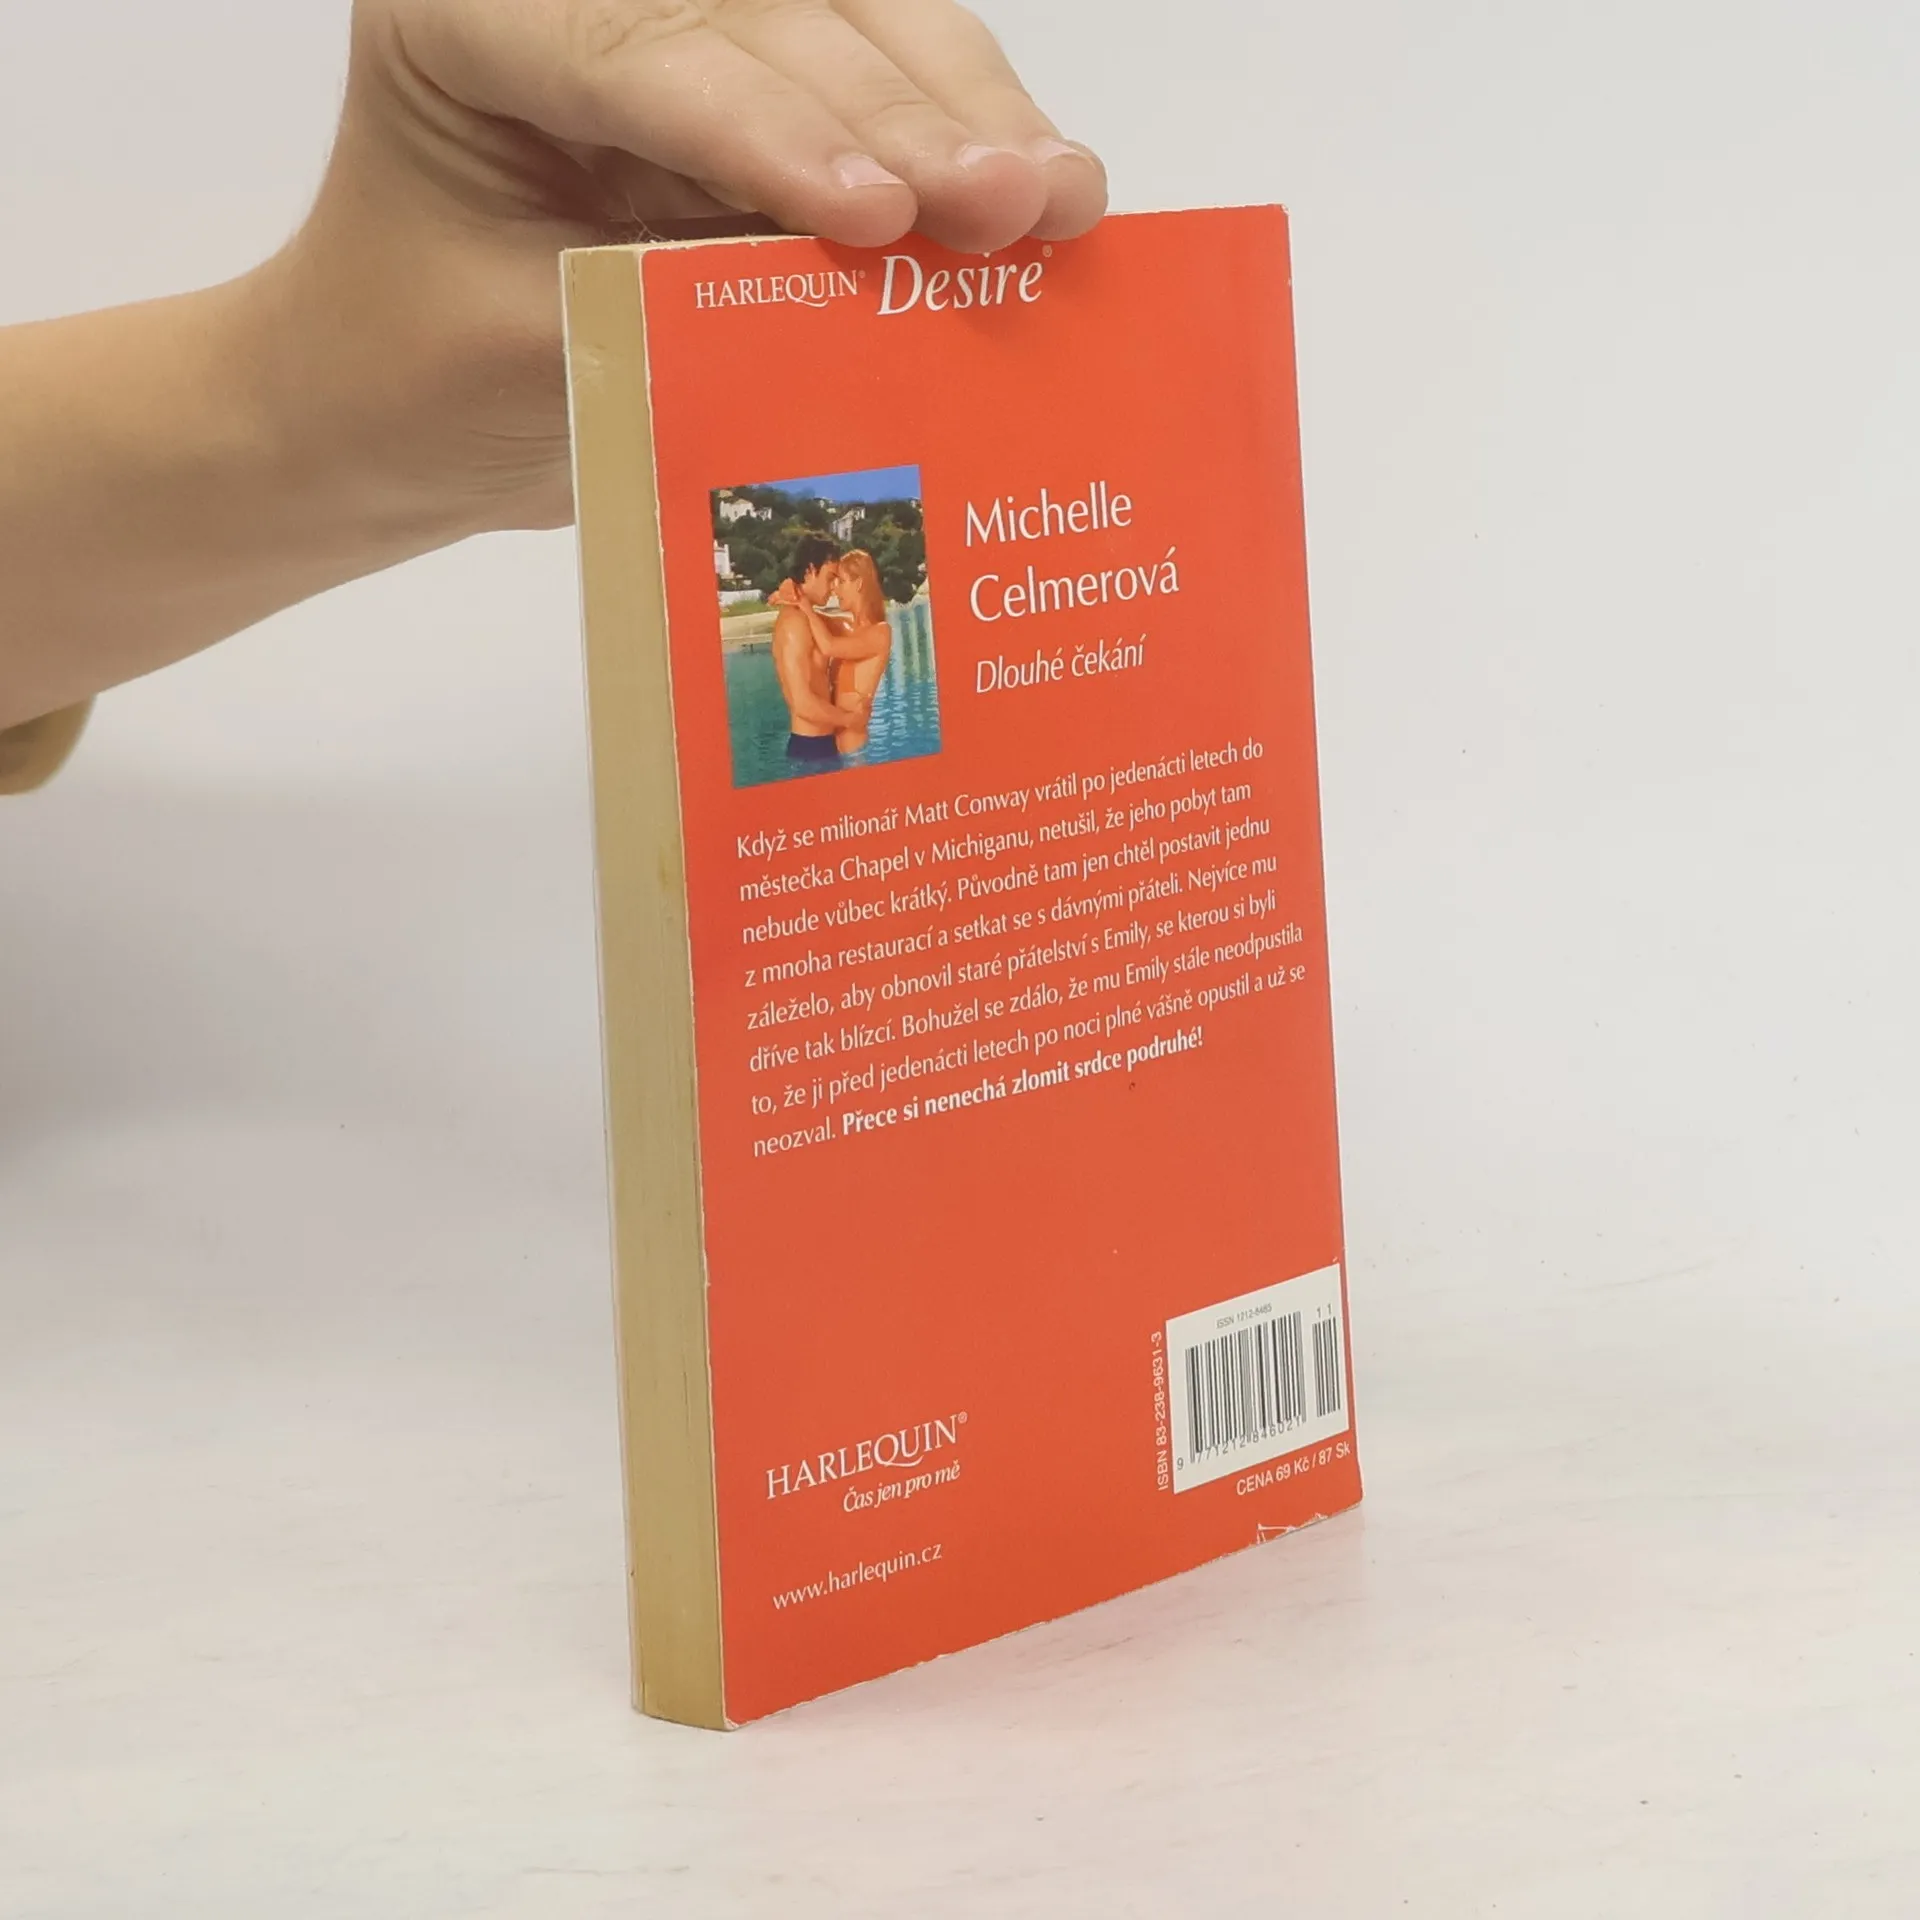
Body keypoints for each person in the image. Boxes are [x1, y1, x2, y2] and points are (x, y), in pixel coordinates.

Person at [0, 0, 1107, 786]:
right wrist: (302, 417)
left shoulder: (834, 614)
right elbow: (827, 698)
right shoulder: (812, 622)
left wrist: (307, 415)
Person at [770, 537, 858, 763]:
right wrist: (851, 720)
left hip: (821, 744)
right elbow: (802, 703)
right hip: (810, 749)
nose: (833, 587)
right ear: (810, 570)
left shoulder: (807, 618)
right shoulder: (793, 624)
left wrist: (802, 603)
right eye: (830, 578)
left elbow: (850, 626)